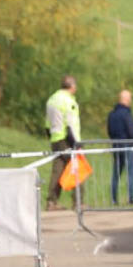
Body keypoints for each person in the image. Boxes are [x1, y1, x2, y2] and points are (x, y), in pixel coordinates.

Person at [45, 75, 81, 210]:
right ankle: (78, 202)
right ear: (72, 87)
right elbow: (71, 123)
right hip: (67, 139)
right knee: (77, 168)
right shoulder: (69, 101)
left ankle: (51, 201)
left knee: (57, 171)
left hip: (55, 139)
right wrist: (77, 143)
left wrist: (52, 136)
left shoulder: (52, 99)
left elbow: (47, 123)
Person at [107, 89, 133, 205]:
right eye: (129, 98)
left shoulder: (112, 114)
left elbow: (109, 130)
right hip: (127, 145)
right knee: (130, 172)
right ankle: (131, 197)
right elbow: (131, 131)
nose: (130, 100)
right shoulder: (127, 114)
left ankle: (113, 198)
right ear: (126, 99)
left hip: (116, 145)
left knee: (116, 173)